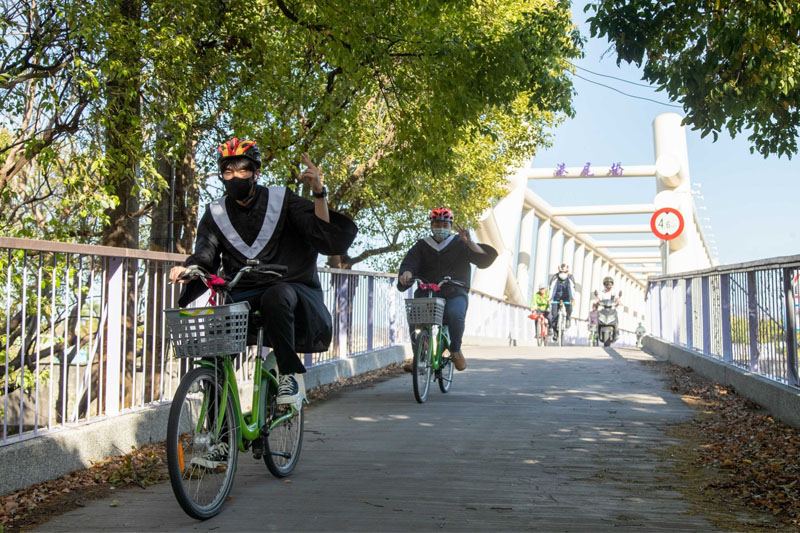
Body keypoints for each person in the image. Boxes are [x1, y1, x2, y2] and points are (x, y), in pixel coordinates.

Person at [169, 138, 357, 405]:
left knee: (275, 296)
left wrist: (318, 192)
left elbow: (320, 232)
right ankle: (220, 440)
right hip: (242, 293)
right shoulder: (215, 213)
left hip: (289, 287)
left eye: (243, 170)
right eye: (228, 171)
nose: (235, 177)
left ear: (256, 173)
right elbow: (205, 255)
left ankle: (289, 373)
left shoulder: (281, 201)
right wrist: (189, 268)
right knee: (214, 359)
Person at [397, 207, 498, 371]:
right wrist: (406, 274)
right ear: (431, 226)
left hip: (455, 292)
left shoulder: (460, 243)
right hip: (428, 292)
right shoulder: (422, 245)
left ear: (450, 227)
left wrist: (470, 242)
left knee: (455, 313)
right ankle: (420, 357)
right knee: (415, 318)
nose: (441, 228)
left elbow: (483, 260)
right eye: (437, 224)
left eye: (445, 225)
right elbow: (410, 263)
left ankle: (456, 350)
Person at [548, 263, 575, 340]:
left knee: (569, 307)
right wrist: (550, 298)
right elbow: (552, 288)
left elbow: (572, 288)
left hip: (567, 297)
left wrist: (572, 299)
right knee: (554, 315)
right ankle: (555, 333)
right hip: (556, 298)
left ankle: (568, 318)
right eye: (561, 272)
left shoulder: (570, 277)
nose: (563, 274)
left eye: (565, 272)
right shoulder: (555, 277)